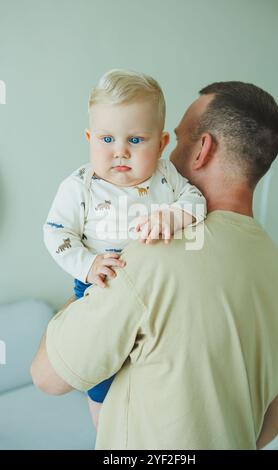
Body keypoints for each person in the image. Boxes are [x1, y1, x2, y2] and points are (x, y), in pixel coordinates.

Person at [32, 81, 278, 450]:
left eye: (174, 140)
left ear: (202, 150)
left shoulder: (149, 254)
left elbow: (47, 376)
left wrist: (84, 286)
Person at [42, 69, 206, 426]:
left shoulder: (167, 178)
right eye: (106, 139)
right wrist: (87, 265)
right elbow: (57, 233)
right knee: (101, 380)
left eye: (135, 140)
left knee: (156, 373)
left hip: (161, 296)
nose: (119, 152)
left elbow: (196, 201)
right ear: (89, 138)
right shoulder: (80, 186)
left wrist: (176, 216)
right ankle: (106, 432)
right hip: (101, 288)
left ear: (161, 144)